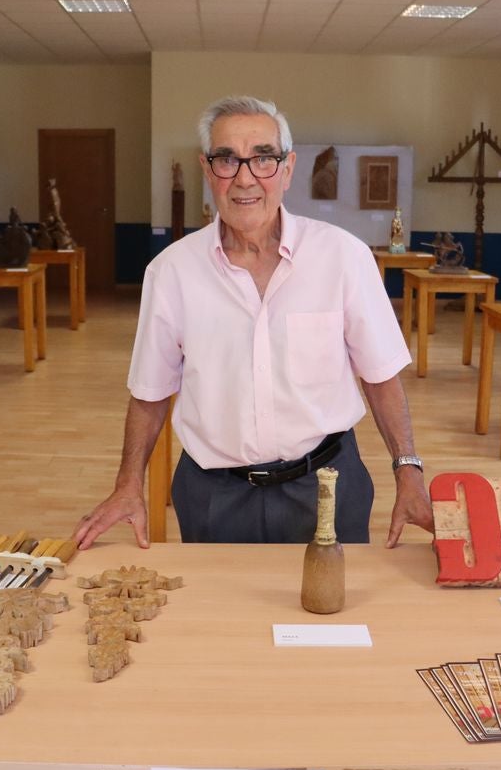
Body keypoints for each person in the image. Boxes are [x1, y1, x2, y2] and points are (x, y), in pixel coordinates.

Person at [74, 95, 433, 550]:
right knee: (222, 620)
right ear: (208, 170)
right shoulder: (171, 272)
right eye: (227, 159)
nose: (245, 178)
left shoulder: (344, 258)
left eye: (263, 158)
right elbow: (150, 391)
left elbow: (382, 377)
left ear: (287, 168)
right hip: (213, 494)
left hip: (326, 487)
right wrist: (128, 484)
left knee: (331, 618)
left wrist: (409, 472)